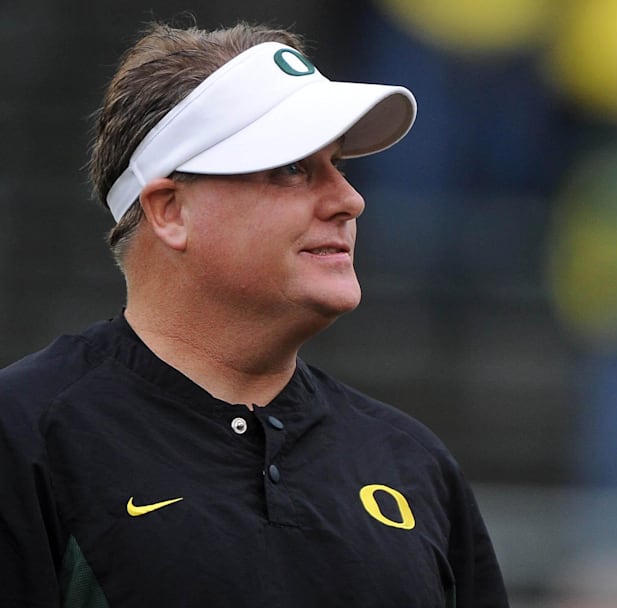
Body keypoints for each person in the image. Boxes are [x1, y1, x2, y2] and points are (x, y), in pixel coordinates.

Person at [0, 21, 508, 607]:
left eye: (339, 164)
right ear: (170, 210)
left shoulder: (414, 464)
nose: (349, 199)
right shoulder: (27, 438)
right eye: (292, 168)